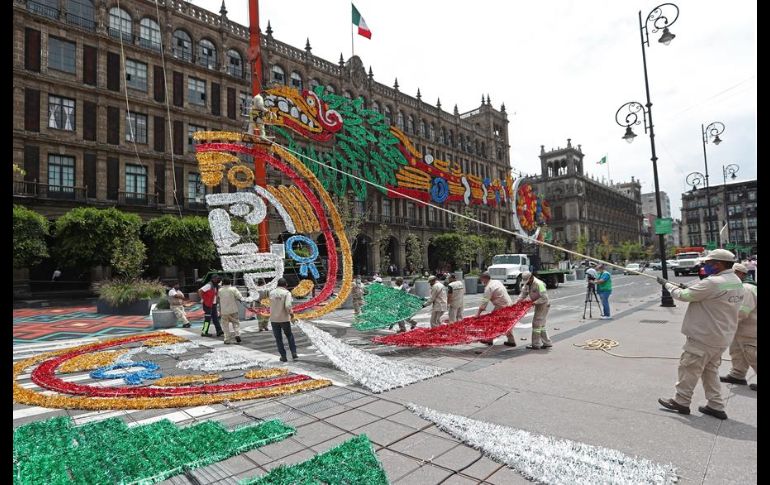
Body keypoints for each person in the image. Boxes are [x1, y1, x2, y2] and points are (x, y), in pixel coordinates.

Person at [657, 249, 744, 420]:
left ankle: (681, 401)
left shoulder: (713, 282)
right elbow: (708, 295)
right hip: (721, 336)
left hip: (704, 336)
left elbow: (684, 296)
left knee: (689, 368)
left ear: (718, 264)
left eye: (708, 263)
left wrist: (667, 285)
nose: (705, 265)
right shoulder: (735, 281)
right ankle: (716, 405)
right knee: (710, 371)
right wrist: (691, 288)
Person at [720, 263, 757, 391]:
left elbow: (742, 312)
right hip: (741, 328)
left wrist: (726, 325)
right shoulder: (741, 287)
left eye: (732, 273)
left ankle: (738, 374)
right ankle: (737, 375)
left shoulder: (746, 289)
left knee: (752, 354)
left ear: (740, 274)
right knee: (737, 351)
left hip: (750, 329)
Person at [476, 272, 516, 347]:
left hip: (502, 306)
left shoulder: (489, 288)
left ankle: (489, 339)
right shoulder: (496, 281)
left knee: (492, 321)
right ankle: (511, 340)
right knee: (506, 323)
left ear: (485, 279)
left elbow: (484, 303)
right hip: (509, 303)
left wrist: (478, 314)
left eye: (481, 279)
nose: (481, 281)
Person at [517, 271, 552, 350]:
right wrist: (516, 303)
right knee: (541, 325)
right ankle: (547, 342)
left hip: (543, 304)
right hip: (538, 304)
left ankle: (535, 344)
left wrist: (533, 303)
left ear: (531, 278)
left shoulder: (539, 284)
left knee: (536, 324)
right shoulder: (527, 284)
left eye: (527, 281)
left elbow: (544, 298)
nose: (526, 283)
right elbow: (523, 294)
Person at [269, 278, 298, 362]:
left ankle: (283, 356)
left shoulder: (271, 293)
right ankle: (294, 353)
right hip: (284, 318)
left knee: (278, 338)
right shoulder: (287, 293)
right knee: (289, 336)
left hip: (274, 319)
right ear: (286, 285)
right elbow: (288, 305)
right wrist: (292, 314)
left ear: (277, 285)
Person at [218, 277, 244, 344]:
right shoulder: (233, 289)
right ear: (230, 282)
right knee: (236, 323)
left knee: (225, 325)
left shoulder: (220, 290)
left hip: (224, 311)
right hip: (233, 309)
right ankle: (237, 334)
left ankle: (227, 339)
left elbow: (218, 298)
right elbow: (240, 297)